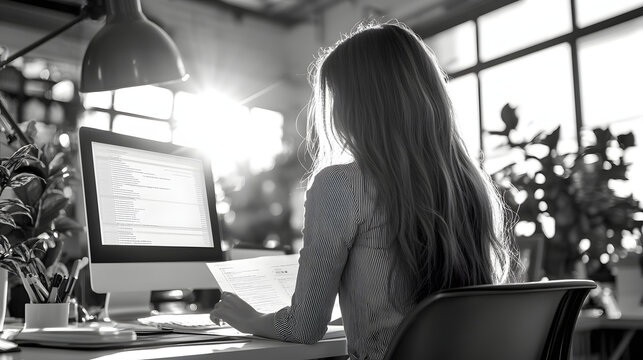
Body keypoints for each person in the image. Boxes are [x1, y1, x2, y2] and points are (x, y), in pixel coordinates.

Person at [211, 21, 517, 360]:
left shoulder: (342, 184)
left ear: (354, 106)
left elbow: (304, 327)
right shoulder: (471, 185)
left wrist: (250, 318)